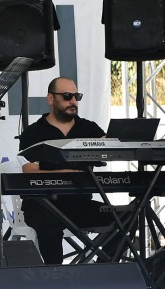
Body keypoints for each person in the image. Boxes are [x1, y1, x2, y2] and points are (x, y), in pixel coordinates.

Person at [18, 76, 118, 265]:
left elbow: (113, 149)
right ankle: (57, 277)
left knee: (126, 218)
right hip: (42, 204)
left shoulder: (89, 128)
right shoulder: (33, 132)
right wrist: (66, 172)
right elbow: (29, 169)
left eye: (76, 96)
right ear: (50, 98)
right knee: (48, 226)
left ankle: (103, 269)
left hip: (79, 204)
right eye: (67, 96)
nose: (73, 101)